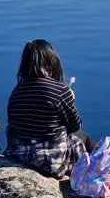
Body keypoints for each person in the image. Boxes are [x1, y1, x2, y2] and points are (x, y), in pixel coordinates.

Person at [6, 39, 93, 177]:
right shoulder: (61, 90)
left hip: (20, 156)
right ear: (51, 62)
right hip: (50, 162)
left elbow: (13, 125)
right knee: (84, 137)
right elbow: (75, 126)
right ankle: (90, 175)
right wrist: (71, 100)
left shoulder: (16, 91)